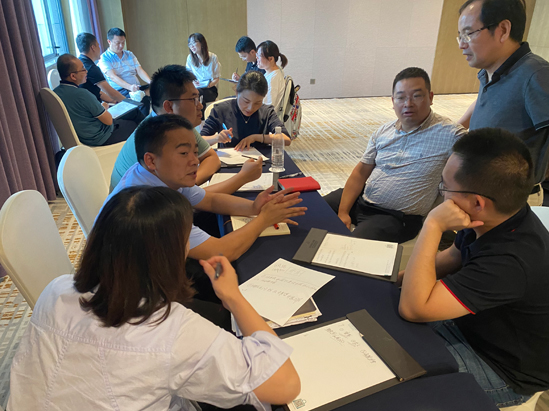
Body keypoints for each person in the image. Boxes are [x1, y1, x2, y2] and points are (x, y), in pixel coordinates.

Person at [8, 186, 300, 410]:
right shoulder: (172, 330)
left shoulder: (56, 290)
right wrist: (234, 297)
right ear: (168, 255)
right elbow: (284, 384)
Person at [398, 128, 549, 407]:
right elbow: (453, 256)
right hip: (471, 327)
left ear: (477, 203)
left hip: (503, 369)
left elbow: (414, 309)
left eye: (445, 187)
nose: (442, 194)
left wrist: (433, 225)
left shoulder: (510, 261)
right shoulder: (497, 216)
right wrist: (397, 279)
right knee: (386, 325)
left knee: (395, 372)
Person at [108, 114, 306, 265]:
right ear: (151, 160)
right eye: (183, 153)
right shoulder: (149, 203)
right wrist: (263, 219)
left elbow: (210, 200)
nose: (195, 161)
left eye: (195, 152)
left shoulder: (157, 175)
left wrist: (254, 207)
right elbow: (221, 252)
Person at [324, 67, 466, 243]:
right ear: (393, 101)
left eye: (417, 96)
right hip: (362, 201)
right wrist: (343, 212)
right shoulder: (384, 131)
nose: (408, 103)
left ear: (430, 98)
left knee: (353, 247)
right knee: (310, 211)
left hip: (396, 218)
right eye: (401, 97)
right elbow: (360, 173)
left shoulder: (452, 135)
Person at [110, 64, 259, 194]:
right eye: (193, 99)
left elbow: (212, 158)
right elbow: (179, 200)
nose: (200, 105)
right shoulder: (155, 138)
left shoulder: (176, 125)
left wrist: (189, 187)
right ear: (169, 106)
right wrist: (189, 190)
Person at [457, 0, 549, 206]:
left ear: (503, 30)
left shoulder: (536, 74)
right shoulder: (489, 72)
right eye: (460, 36)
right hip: (481, 192)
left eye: (468, 34)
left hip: (510, 201)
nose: (462, 44)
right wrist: (456, 128)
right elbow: (490, 102)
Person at [54, 54, 138, 146]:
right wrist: (104, 107)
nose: (86, 71)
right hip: (100, 137)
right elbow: (108, 121)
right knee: (135, 124)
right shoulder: (82, 94)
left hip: (82, 137)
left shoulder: (55, 93)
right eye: (83, 69)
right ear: (73, 76)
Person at [201, 71, 291, 150]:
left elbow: (286, 139)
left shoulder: (266, 112)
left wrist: (255, 137)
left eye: (257, 103)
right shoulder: (221, 110)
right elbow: (200, 141)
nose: (250, 108)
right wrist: (217, 138)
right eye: (246, 101)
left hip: (259, 161)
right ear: (237, 92)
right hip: (231, 161)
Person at [99, 27, 151, 116]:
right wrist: (130, 87)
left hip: (136, 88)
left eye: (123, 42)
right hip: (120, 91)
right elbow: (113, 77)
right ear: (109, 41)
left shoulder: (129, 54)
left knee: (157, 92)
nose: (121, 46)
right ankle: (143, 122)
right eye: (118, 43)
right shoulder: (105, 58)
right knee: (143, 100)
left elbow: (139, 70)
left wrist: (150, 81)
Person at [76, 32, 125, 104]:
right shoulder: (91, 68)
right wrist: (131, 103)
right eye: (98, 46)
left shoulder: (79, 62)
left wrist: (114, 101)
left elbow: (98, 92)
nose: (100, 48)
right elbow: (111, 93)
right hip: (91, 107)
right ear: (93, 47)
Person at [186, 33, 221, 117]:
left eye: (194, 43)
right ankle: (200, 118)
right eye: (190, 44)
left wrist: (209, 85)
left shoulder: (213, 57)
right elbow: (188, 76)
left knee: (198, 94)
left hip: (210, 89)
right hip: (197, 88)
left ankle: (201, 118)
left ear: (202, 43)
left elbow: (217, 78)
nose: (192, 46)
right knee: (194, 94)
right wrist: (193, 82)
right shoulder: (190, 58)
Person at [256, 40, 287, 111]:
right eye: (256, 54)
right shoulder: (273, 72)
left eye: (259, 55)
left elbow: (268, 106)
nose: (256, 58)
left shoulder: (273, 78)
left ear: (270, 59)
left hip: (266, 115)